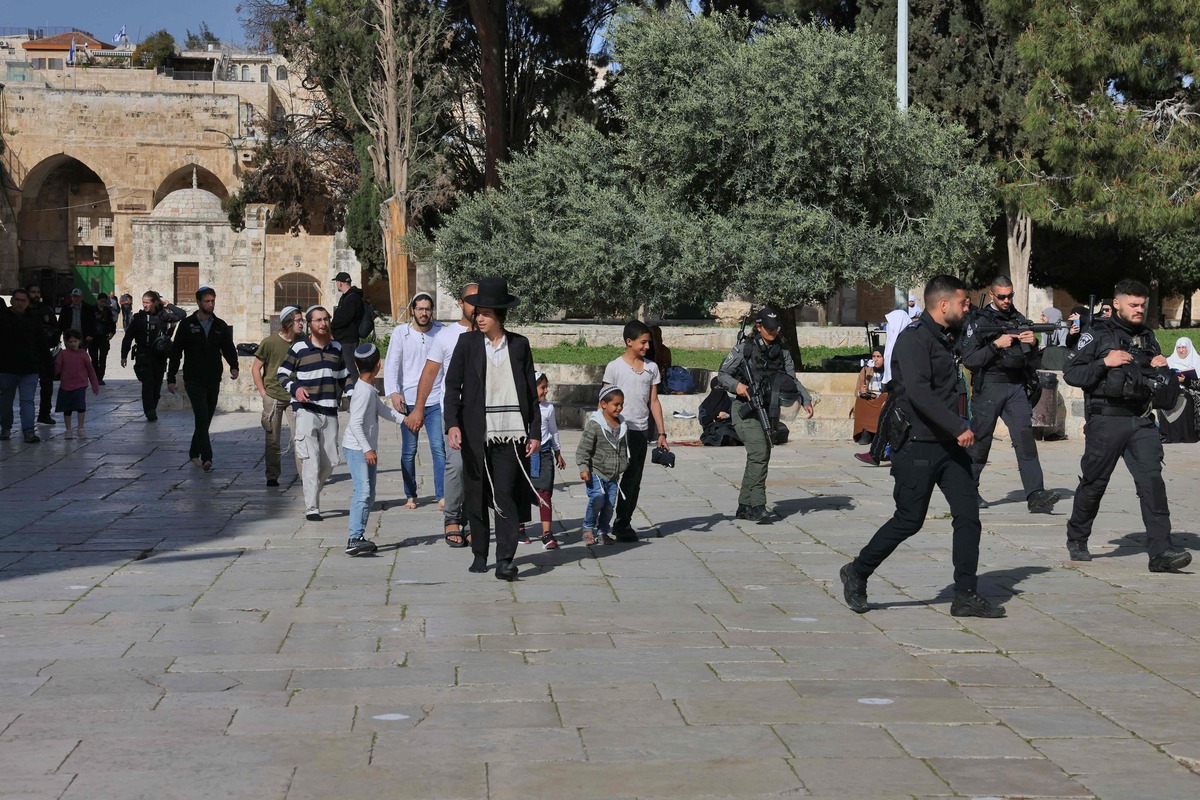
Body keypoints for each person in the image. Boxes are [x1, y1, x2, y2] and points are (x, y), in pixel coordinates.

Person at [840, 274, 1005, 619]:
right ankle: (857, 571)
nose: (968, 307)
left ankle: (965, 593)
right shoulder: (914, 341)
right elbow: (918, 394)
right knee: (908, 520)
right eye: (963, 302)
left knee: (968, 516)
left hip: (948, 447)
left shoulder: (948, 337)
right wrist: (958, 426)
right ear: (943, 305)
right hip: (917, 445)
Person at [1063, 280, 1191, 571]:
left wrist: (1162, 368)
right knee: (1095, 483)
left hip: (1141, 419)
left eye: (1143, 305)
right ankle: (1077, 537)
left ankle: (1162, 552)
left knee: (1152, 483)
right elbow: (1071, 372)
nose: (1139, 310)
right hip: (1106, 419)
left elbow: (1156, 377)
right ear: (1117, 304)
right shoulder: (1096, 334)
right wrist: (1104, 363)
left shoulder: (1147, 335)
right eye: (1133, 305)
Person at [444, 277, 540, 581]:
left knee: (506, 495)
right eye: (477, 312)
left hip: (511, 434)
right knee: (476, 493)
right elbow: (451, 387)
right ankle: (480, 552)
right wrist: (452, 425)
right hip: (475, 433)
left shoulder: (519, 345)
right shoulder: (467, 343)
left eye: (485, 313)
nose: (479, 317)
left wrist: (535, 431)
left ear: (499, 314)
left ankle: (505, 559)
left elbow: (529, 392)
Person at [959, 276, 1061, 514]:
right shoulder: (980, 322)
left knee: (1025, 438)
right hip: (990, 386)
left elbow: (1032, 362)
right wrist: (997, 344)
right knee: (981, 440)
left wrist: (1033, 344)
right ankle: (967, 490)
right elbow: (970, 360)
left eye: (1010, 295)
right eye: (1002, 296)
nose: (1007, 300)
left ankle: (1036, 494)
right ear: (992, 295)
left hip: (1015, 386)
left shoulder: (1019, 320)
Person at [716, 307, 814, 521]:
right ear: (758, 326)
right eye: (769, 328)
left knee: (760, 455)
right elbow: (722, 374)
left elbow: (792, 379)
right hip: (745, 410)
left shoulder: (783, 351)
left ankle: (744, 506)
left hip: (768, 410)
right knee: (760, 453)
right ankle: (758, 506)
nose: (773, 332)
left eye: (776, 328)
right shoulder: (745, 348)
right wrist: (738, 386)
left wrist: (806, 399)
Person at [407, 283, 478, 547]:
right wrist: (418, 407)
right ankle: (451, 518)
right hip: (454, 414)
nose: (477, 305)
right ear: (461, 303)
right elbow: (429, 374)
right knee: (456, 465)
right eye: (472, 300)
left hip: (484, 416)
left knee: (477, 469)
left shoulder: (489, 333)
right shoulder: (446, 336)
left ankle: (472, 519)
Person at [278, 305, 348, 521]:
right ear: (310, 324)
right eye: (318, 320)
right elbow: (282, 374)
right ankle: (312, 508)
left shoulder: (336, 347)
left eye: (326, 319)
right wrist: (295, 388)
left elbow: (345, 376)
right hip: (306, 410)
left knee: (330, 462)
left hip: (330, 411)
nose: (323, 323)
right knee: (311, 459)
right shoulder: (299, 347)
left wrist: (356, 397)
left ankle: (312, 493)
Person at [603, 320, 669, 540]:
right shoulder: (614, 367)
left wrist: (661, 433)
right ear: (629, 342)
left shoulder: (651, 369)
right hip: (617, 431)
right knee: (609, 479)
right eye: (643, 342)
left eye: (648, 343)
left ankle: (623, 523)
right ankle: (599, 524)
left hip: (640, 431)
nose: (647, 347)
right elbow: (603, 402)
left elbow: (654, 401)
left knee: (633, 480)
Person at [342, 343, 407, 556]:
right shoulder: (362, 392)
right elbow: (355, 424)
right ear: (379, 365)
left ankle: (358, 536)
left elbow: (383, 410)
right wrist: (367, 449)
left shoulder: (368, 389)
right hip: (357, 449)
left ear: (356, 365)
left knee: (369, 495)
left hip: (365, 449)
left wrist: (405, 420)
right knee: (363, 492)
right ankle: (355, 537)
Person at [384, 291, 446, 509]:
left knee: (439, 448)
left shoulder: (441, 332)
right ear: (413, 311)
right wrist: (393, 392)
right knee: (409, 451)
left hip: (436, 399)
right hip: (408, 400)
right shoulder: (401, 333)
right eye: (420, 309)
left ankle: (442, 494)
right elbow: (392, 364)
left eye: (428, 309)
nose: (424, 313)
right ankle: (410, 495)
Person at [167, 287, 240, 471]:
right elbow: (176, 352)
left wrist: (234, 365)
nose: (211, 304)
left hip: (213, 377)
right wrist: (171, 377)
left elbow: (228, 347)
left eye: (213, 301)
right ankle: (207, 457)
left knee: (206, 418)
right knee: (201, 415)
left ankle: (193, 452)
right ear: (198, 302)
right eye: (207, 301)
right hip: (193, 378)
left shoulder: (220, 325)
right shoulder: (187, 324)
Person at [253, 306, 305, 487]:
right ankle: (272, 476)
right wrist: (263, 393)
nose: (302, 324)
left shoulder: (302, 342)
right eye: (298, 320)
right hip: (274, 395)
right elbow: (255, 368)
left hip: (295, 396)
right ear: (288, 322)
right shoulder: (270, 342)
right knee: (272, 439)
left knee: (300, 437)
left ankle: (305, 476)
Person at [576, 386, 630, 546]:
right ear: (604, 404)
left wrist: (623, 464)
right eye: (616, 404)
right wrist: (583, 467)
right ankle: (588, 528)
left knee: (609, 505)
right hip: (596, 471)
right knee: (598, 498)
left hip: (613, 474)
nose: (619, 408)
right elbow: (583, 449)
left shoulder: (622, 425)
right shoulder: (595, 425)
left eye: (621, 404)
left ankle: (603, 531)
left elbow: (623, 448)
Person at [121, 291, 186, 421]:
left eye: (147, 302)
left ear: (155, 303)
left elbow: (182, 315)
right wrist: (124, 355)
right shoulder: (139, 318)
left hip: (159, 357)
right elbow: (128, 337)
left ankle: (153, 408)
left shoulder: (163, 316)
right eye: (143, 302)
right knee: (148, 383)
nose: (145, 305)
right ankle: (149, 411)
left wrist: (168, 305)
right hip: (143, 356)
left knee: (156, 386)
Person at [0, 288, 52, 444]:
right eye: (17, 300)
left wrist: (47, 366)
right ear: (11, 300)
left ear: (27, 302)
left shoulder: (34, 319)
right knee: (6, 400)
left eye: (23, 300)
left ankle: (29, 431)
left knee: (27, 400)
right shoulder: (2, 318)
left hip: (29, 368)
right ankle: (6, 428)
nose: (19, 303)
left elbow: (42, 344)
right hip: (6, 368)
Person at [530, 372, 567, 549]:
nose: (546, 390)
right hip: (526, 456)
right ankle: (520, 528)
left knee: (545, 492)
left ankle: (547, 533)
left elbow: (553, 431)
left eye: (546, 386)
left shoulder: (548, 408)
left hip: (544, 454)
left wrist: (557, 451)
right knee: (521, 492)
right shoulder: (523, 408)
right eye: (542, 387)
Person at [25, 283, 60, 426]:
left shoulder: (46, 309)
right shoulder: (23, 310)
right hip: (27, 354)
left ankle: (44, 414)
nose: (36, 295)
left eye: (38, 292)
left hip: (45, 353)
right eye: (33, 292)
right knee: (27, 388)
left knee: (47, 386)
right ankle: (27, 419)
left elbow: (55, 328)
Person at [54, 330, 99, 439]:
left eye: (75, 341)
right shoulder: (63, 354)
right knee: (67, 409)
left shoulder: (83, 354)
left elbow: (90, 370)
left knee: (81, 407)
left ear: (80, 341)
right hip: (66, 385)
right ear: (66, 342)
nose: (73, 344)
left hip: (80, 385)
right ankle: (68, 430)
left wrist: (95, 384)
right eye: (70, 342)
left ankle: (80, 428)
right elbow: (57, 368)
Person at [1160, 336, 1200, 444]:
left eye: (1183, 347)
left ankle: (1188, 435)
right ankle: (1167, 434)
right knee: (1163, 398)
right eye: (1179, 347)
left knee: (1187, 398)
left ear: (1189, 348)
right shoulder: (1169, 361)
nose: (1181, 350)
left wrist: (1185, 380)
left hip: (1192, 390)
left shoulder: (1197, 361)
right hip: (1172, 390)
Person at [330, 271, 366, 388]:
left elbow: (345, 318)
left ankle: (360, 396)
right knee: (340, 370)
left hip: (348, 340)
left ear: (339, 283)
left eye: (336, 283)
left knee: (351, 370)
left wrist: (331, 326)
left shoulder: (352, 298)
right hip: (342, 339)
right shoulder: (347, 297)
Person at [852, 349, 887, 445]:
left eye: (878, 357)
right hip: (870, 398)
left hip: (882, 398)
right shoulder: (866, 370)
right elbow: (857, 391)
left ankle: (877, 433)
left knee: (884, 397)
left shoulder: (889, 370)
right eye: (874, 357)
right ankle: (865, 433)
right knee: (860, 400)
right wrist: (861, 391)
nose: (876, 360)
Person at [698, 377, 739, 447]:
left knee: (729, 430)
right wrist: (715, 415)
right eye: (717, 387)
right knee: (719, 431)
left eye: (721, 387)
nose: (719, 390)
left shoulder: (732, 401)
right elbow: (703, 421)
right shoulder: (705, 404)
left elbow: (738, 416)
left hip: (729, 425)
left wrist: (727, 416)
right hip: (713, 427)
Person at [89, 293, 118, 385]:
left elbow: (112, 323)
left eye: (104, 302)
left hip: (103, 337)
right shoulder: (91, 310)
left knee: (103, 357)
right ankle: (95, 376)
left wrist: (112, 333)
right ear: (98, 301)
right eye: (101, 301)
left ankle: (100, 377)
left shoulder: (107, 311)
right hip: (93, 337)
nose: (102, 303)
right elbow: (87, 322)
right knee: (93, 358)